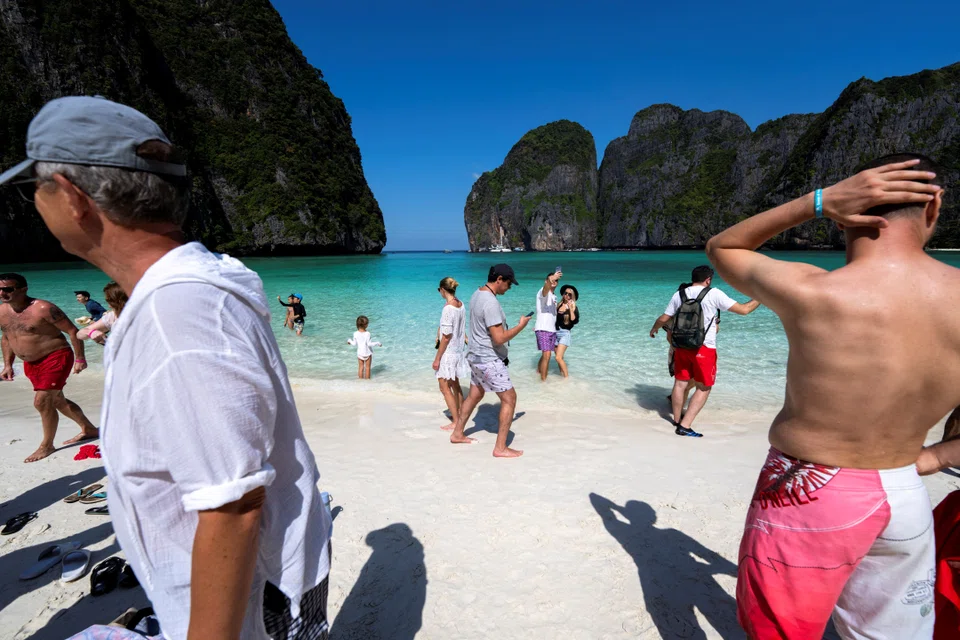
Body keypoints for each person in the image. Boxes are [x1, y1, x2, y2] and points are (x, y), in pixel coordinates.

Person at [0, 95, 333, 638]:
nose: (34, 203)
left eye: (33, 187)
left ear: (72, 197)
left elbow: (234, 503)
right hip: (274, 573)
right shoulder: (205, 279)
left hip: (252, 600)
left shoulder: (177, 314)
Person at [705, 154, 948, 639]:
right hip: (906, 491)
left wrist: (816, 202)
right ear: (934, 206)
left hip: (809, 492)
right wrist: (935, 457)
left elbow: (722, 247)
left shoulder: (815, 291)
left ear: (845, 214)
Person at [648, 266, 759, 437]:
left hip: (681, 346)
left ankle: (676, 420)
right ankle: (685, 426)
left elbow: (665, 317)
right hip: (703, 347)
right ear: (708, 279)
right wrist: (761, 297)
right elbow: (744, 310)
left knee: (680, 383)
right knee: (705, 387)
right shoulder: (713, 293)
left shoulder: (680, 294)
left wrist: (654, 329)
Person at [0, 273, 98, 462]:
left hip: (56, 357)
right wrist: (8, 364)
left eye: (8, 289)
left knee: (42, 401)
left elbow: (72, 331)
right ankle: (89, 429)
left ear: (23, 289)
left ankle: (47, 445)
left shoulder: (44, 309)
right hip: (31, 363)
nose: (3, 293)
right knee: (57, 400)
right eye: (0, 289)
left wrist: (80, 358)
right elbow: (7, 338)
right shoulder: (2, 312)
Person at [449, 264, 531, 458]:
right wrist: (521, 326)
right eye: (509, 284)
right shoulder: (491, 303)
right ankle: (500, 448)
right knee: (509, 399)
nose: (509, 288)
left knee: (475, 395)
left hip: (475, 356)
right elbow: (499, 338)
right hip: (489, 359)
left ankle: (458, 433)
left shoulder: (477, 294)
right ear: (499, 279)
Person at [433, 277, 466, 431]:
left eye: (439, 290)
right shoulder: (461, 305)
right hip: (458, 351)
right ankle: (460, 414)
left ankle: (456, 421)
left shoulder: (448, 309)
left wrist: (437, 358)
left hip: (448, 352)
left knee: (444, 387)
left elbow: (446, 337)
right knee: (455, 384)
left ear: (443, 290)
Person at [535, 269, 562, 381]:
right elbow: (546, 289)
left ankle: (538, 371)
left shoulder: (554, 296)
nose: (554, 281)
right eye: (552, 279)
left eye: (556, 280)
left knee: (545, 354)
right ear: (547, 281)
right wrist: (552, 278)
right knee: (547, 355)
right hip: (544, 328)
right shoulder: (543, 292)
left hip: (551, 329)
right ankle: (543, 382)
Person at [554, 284, 579, 377]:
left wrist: (570, 309)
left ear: (572, 297)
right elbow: (552, 318)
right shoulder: (558, 305)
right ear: (563, 294)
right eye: (566, 293)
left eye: (570, 294)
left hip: (565, 333)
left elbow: (574, 321)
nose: (567, 296)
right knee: (560, 357)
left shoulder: (574, 308)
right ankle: (561, 376)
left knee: (558, 357)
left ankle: (567, 379)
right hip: (555, 333)